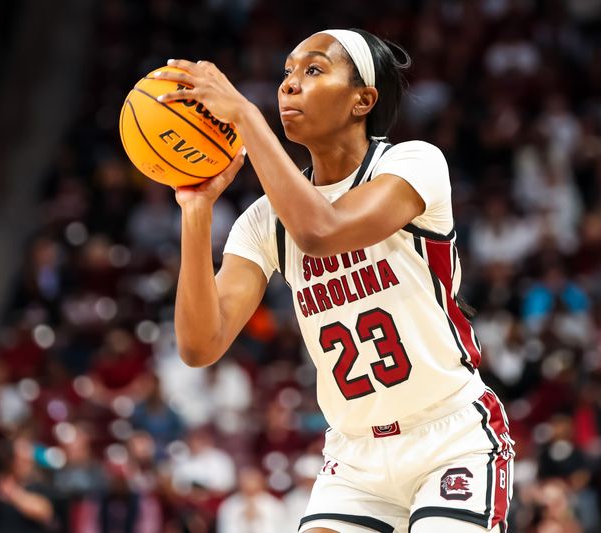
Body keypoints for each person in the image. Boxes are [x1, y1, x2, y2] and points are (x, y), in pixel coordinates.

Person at [157, 28, 515, 532]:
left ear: (362, 101)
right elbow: (200, 344)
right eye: (286, 73)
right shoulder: (263, 221)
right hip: (355, 456)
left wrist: (245, 116)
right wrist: (195, 210)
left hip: (449, 437)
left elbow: (323, 231)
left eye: (314, 70)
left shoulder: (412, 164)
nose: (289, 85)